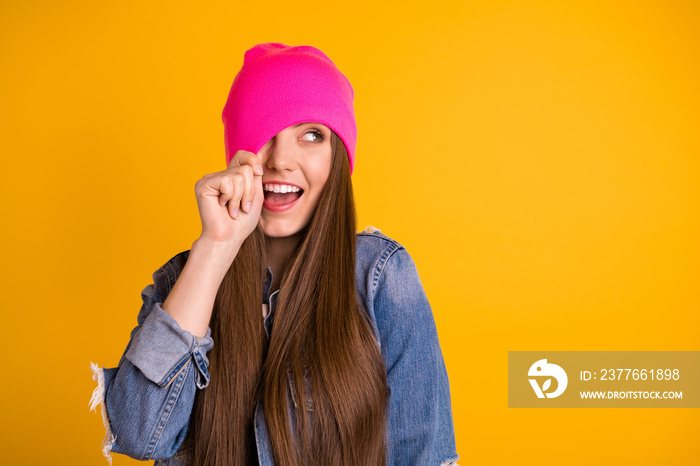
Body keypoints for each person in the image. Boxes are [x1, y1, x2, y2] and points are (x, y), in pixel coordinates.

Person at [89, 42, 458, 466]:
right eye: (265, 135)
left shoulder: (379, 278)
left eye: (311, 135)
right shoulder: (184, 282)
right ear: (237, 158)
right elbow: (139, 434)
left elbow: (424, 455)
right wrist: (215, 249)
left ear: (338, 159)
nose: (282, 159)